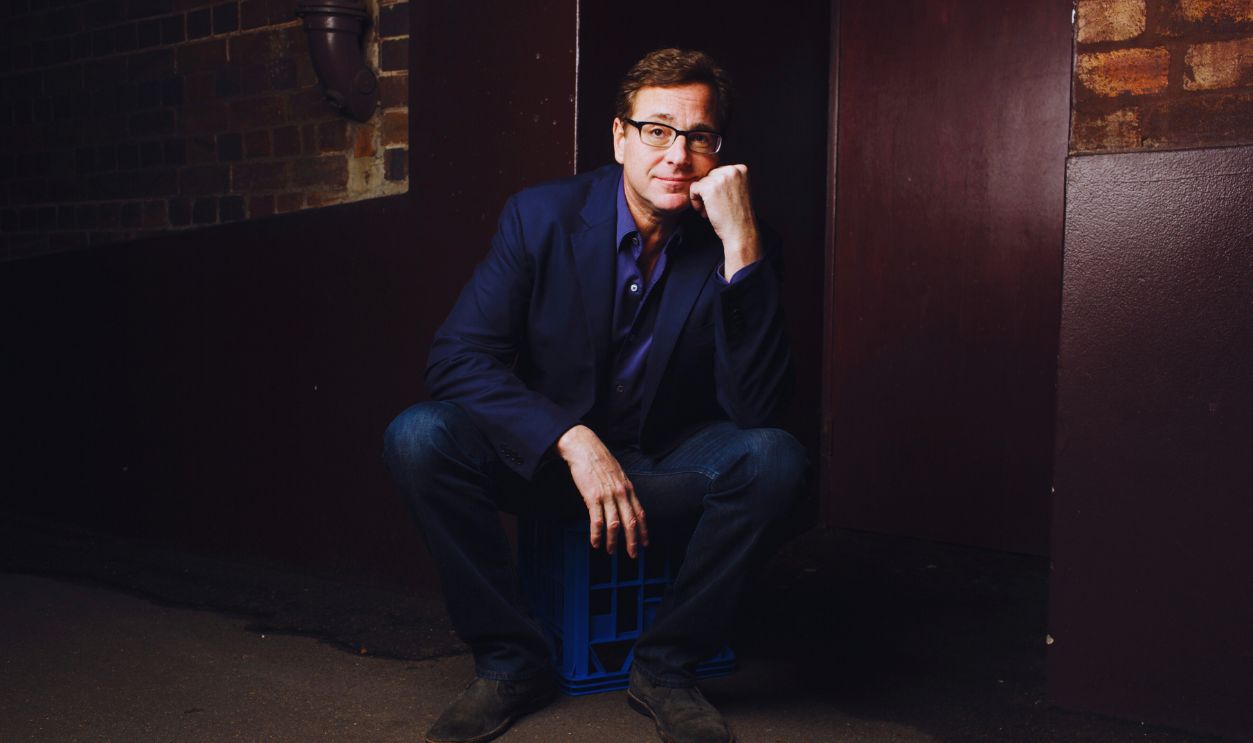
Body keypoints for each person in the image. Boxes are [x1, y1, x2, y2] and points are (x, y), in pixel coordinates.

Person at [384, 48, 805, 743]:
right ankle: (510, 662)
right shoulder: (541, 217)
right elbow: (457, 356)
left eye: (699, 136)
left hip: (665, 463)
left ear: (718, 150)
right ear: (620, 137)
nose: (677, 154)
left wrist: (741, 245)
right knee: (418, 436)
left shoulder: (742, 241)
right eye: (657, 130)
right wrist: (570, 439)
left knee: (778, 459)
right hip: (552, 466)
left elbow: (758, 408)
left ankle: (666, 666)